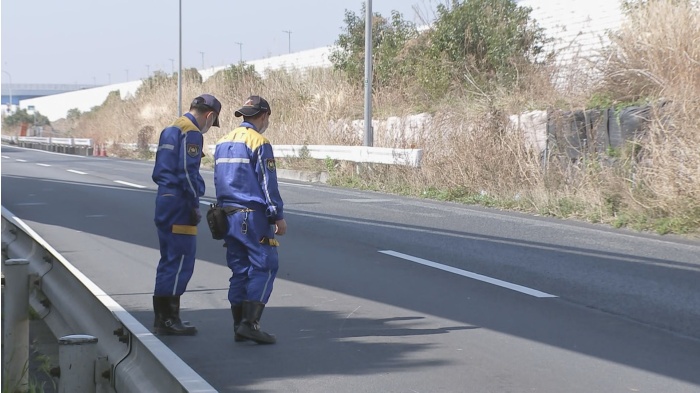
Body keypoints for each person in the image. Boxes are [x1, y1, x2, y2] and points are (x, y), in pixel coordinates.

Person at [213, 95, 287, 344]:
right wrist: (277, 215)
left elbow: (218, 180)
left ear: (243, 115)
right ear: (264, 116)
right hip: (252, 218)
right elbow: (268, 183)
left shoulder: (222, 142)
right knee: (266, 266)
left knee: (239, 271)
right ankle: (250, 323)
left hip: (227, 216)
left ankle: (239, 325)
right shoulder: (259, 142)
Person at [151, 93, 222, 335]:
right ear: (209, 115)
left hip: (164, 198)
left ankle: (163, 319)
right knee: (181, 260)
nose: (209, 127)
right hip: (179, 202)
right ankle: (169, 319)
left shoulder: (171, 128)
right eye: (212, 122)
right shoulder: (191, 132)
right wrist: (194, 203)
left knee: (169, 258)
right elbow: (188, 172)